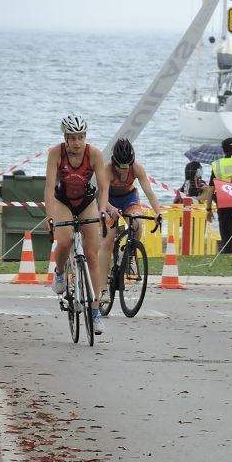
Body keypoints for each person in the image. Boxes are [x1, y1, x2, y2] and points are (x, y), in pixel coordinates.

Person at [46, 114, 115, 335]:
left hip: (86, 201)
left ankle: (94, 314)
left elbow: (103, 188)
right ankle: (59, 273)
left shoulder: (93, 154)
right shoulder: (56, 153)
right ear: (65, 138)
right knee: (64, 241)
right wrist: (49, 215)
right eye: (73, 138)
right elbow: (48, 188)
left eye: (81, 137)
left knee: (92, 256)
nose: (77, 142)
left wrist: (103, 209)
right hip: (63, 201)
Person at [102, 138, 162, 298]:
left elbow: (149, 193)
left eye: (126, 166)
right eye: (120, 167)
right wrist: (111, 209)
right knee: (108, 238)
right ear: (114, 162)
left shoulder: (137, 169)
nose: (123, 171)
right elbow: (101, 198)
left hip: (129, 198)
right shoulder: (107, 169)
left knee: (137, 222)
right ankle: (102, 282)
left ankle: (130, 255)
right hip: (108, 200)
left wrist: (158, 212)